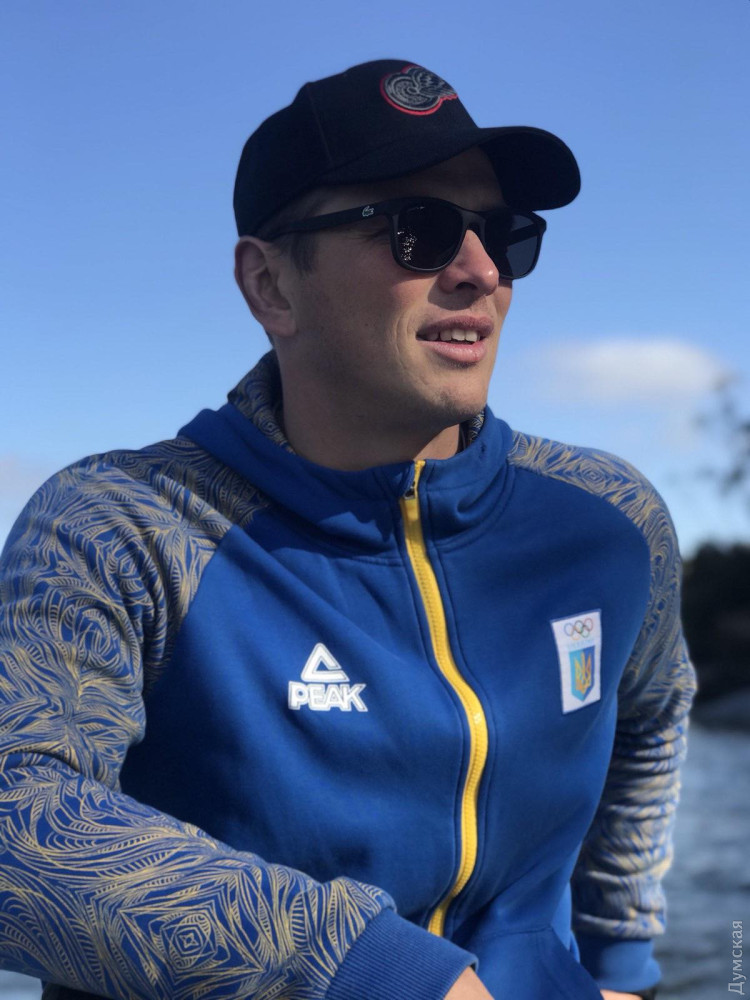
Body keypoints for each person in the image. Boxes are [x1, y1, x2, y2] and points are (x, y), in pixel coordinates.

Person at [0, 59, 694, 1000]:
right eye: (420, 230)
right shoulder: (123, 527)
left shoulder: (610, 520)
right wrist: (371, 970)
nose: (481, 271)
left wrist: (621, 965)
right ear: (270, 285)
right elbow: (17, 817)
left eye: (502, 233)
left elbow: (653, 716)